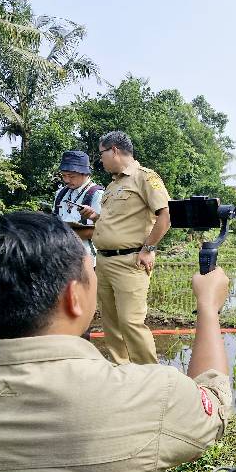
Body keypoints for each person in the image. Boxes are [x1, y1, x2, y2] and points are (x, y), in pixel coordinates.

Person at [0, 212, 232, 472]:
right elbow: (215, 402)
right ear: (73, 297)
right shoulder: (153, 394)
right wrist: (207, 308)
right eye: (91, 270)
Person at [83, 131, 171, 364]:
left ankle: (150, 376)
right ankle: (121, 372)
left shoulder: (145, 177)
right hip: (103, 261)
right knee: (111, 324)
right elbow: (119, 221)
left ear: (114, 150)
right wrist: (96, 217)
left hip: (129, 261)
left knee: (131, 322)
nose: (99, 160)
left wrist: (148, 249)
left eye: (101, 154)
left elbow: (165, 216)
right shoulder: (113, 185)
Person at [53, 150, 103, 268]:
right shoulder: (60, 193)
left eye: (71, 176)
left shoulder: (97, 194)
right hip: (62, 257)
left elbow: (102, 230)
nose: (66, 180)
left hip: (89, 260)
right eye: (64, 175)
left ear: (85, 173)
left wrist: (63, 233)